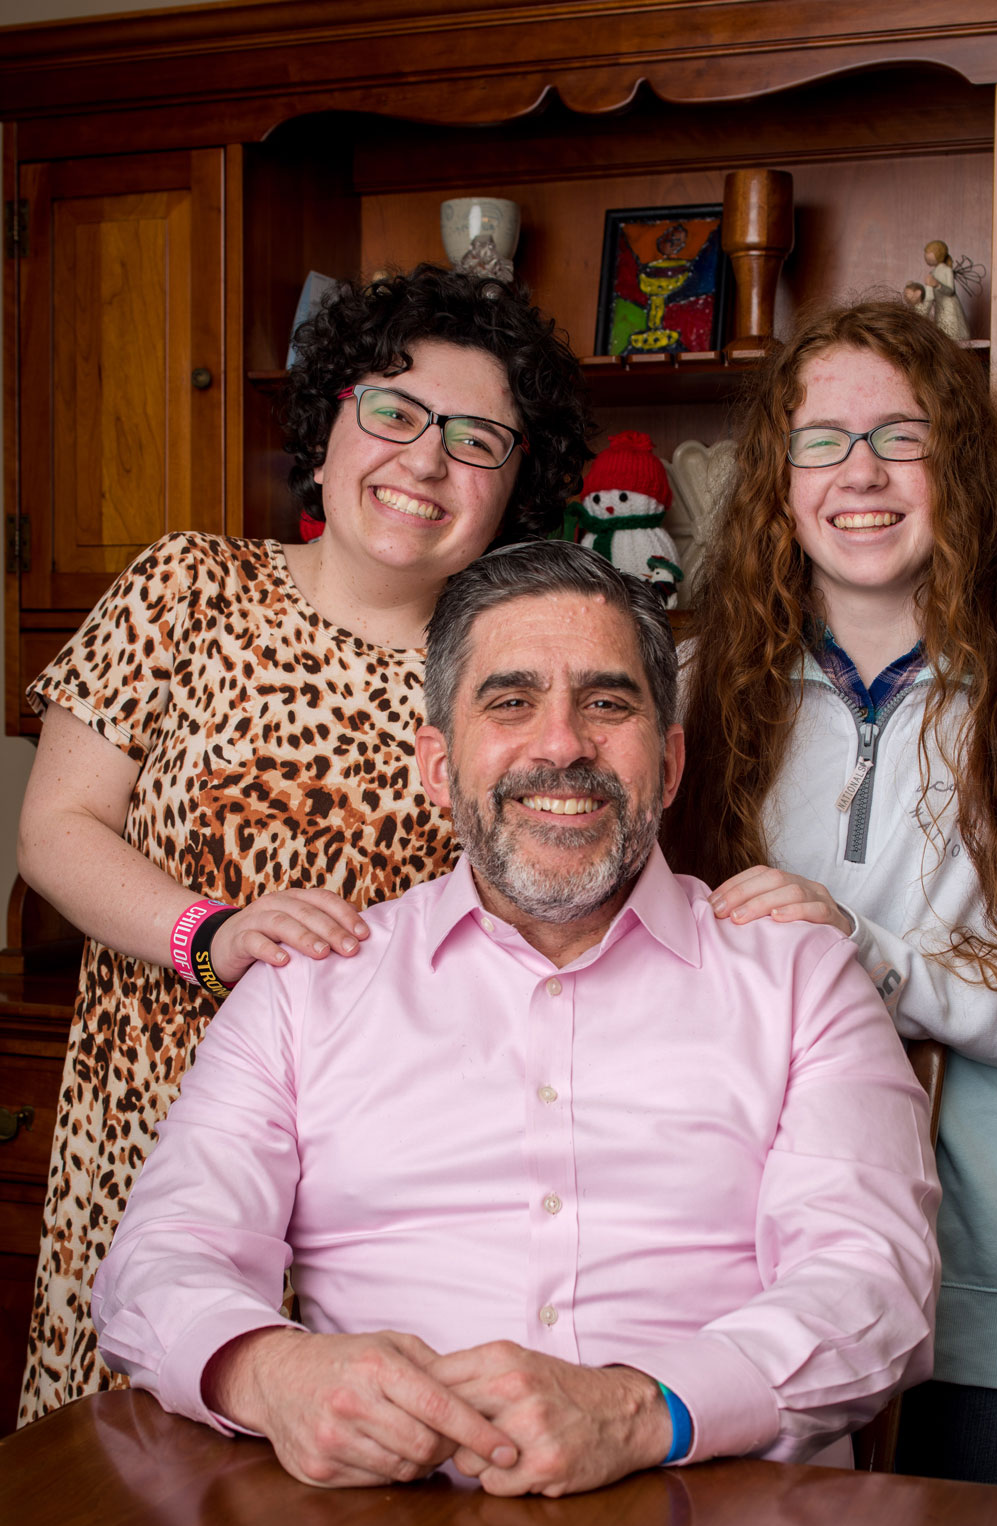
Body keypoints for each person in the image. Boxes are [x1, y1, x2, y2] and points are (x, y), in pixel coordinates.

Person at [91, 542, 940, 1495]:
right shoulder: (303, 988)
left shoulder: (800, 976)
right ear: (436, 765)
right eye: (510, 702)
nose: (563, 744)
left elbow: (875, 1289)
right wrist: (269, 1372)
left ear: (667, 765)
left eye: (608, 703)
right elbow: (159, 1263)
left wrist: (638, 1410)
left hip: (719, 1525)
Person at [16, 265, 591, 1425]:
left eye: (476, 439)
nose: (425, 462)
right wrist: (210, 933)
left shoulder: (511, 673)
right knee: (122, 1495)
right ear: (328, 428)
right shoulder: (185, 586)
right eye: (392, 411)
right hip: (150, 1120)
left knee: (356, 1490)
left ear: (515, 485)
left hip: (392, 1169)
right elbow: (52, 829)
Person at [664, 299, 997, 1488]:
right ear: (778, 479)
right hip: (747, 1269)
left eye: (904, 434)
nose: (862, 473)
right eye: (823, 440)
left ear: (960, 466)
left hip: (989, 1278)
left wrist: (861, 949)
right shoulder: (690, 683)